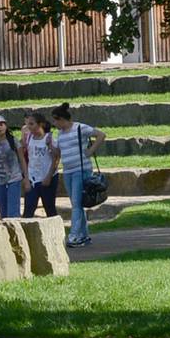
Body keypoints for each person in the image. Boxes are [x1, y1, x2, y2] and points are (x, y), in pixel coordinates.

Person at [52, 103, 102, 248]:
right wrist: (50, 146)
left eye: (55, 121)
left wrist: (90, 150)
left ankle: (74, 236)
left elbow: (100, 135)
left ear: (61, 119)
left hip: (81, 170)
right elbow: (59, 152)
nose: (54, 124)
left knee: (76, 203)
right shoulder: (60, 134)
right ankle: (84, 234)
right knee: (76, 203)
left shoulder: (80, 128)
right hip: (67, 171)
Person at [0, 117, 25, 219]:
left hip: (14, 178)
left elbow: (22, 160)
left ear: (6, 126)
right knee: (3, 211)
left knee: (13, 210)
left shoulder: (14, 141)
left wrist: (26, 177)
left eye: (1, 124)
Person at [24, 113, 59, 217]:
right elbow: (24, 156)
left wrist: (48, 176)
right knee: (29, 209)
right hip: (33, 178)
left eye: (32, 124)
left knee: (50, 208)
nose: (29, 127)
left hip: (48, 178)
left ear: (41, 124)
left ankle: (56, 232)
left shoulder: (49, 138)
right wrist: (26, 178)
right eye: (27, 124)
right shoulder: (28, 138)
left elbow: (56, 158)